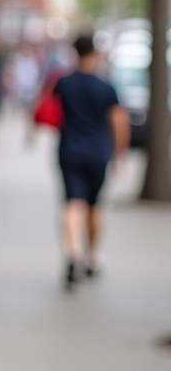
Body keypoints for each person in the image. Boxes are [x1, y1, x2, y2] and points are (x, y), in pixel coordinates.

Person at [51, 33, 129, 290]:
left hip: (69, 150)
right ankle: (91, 257)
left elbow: (49, 110)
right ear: (94, 53)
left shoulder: (63, 82)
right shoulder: (106, 86)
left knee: (73, 203)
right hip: (97, 152)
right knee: (94, 206)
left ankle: (72, 252)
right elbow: (119, 123)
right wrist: (119, 155)